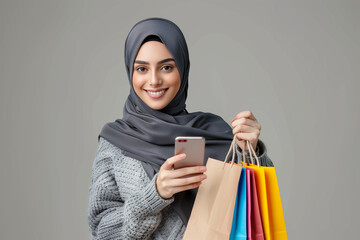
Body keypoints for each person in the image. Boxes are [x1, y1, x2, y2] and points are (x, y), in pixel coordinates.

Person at [87, 17, 274, 240]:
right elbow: (101, 233)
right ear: (131, 72)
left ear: (182, 69)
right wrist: (154, 194)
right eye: (142, 68)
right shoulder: (115, 142)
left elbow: (257, 212)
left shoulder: (214, 131)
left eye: (166, 67)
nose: (154, 80)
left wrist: (251, 152)